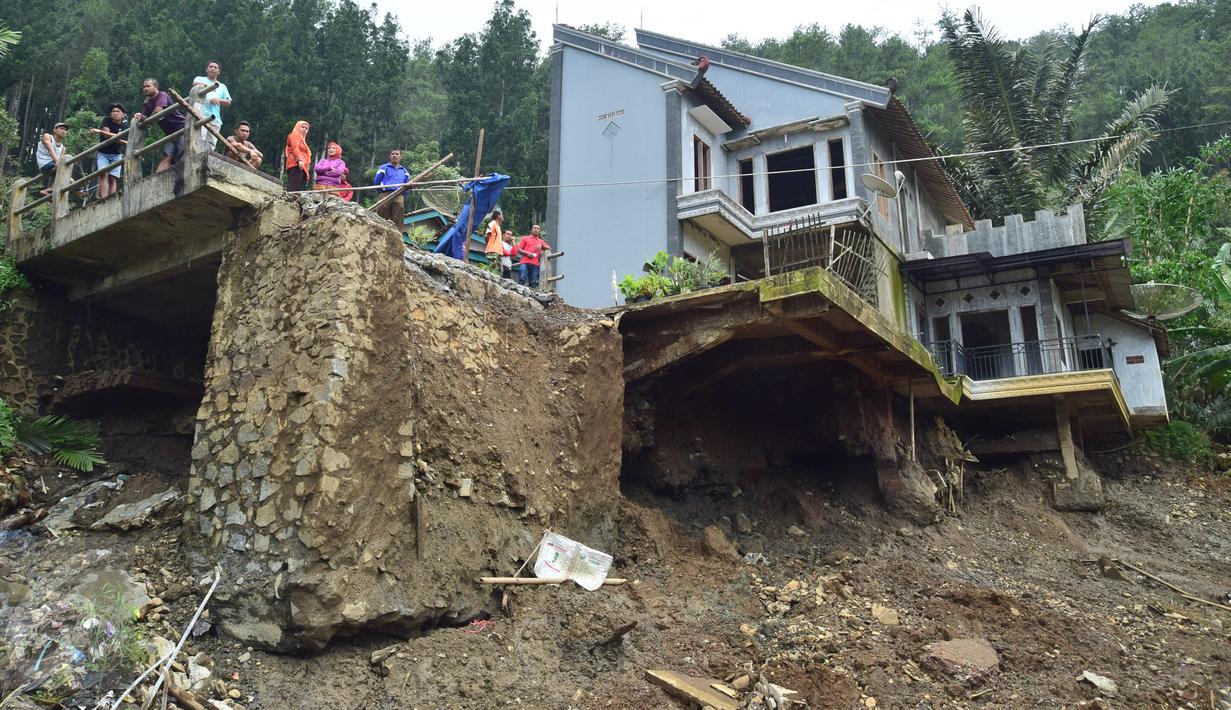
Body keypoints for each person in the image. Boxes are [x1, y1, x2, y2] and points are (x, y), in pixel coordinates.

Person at [132, 78, 187, 173]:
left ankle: (182, 178)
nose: (145, 88)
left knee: (182, 155)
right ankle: (154, 180)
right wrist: (140, 116)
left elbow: (158, 111)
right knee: (167, 157)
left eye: (148, 86)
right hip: (170, 135)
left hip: (182, 129)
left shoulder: (162, 95)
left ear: (155, 87)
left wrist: (147, 117)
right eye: (144, 87)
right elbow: (145, 118)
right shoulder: (147, 103)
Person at [87, 103, 128, 199]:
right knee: (103, 174)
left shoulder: (125, 126)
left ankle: (111, 198)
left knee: (113, 178)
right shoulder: (107, 120)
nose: (115, 113)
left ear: (123, 114)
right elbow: (107, 136)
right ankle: (104, 198)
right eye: (113, 111)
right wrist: (121, 140)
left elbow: (118, 138)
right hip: (103, 153)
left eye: (118, 111)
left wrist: (100, 131)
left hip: (116, 154)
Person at [190, 60, 232, 149]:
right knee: (198, 142)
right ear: (206, 69)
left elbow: (228, 101)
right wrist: (209, 86)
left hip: (215, 119)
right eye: (210, 67)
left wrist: (218, 100)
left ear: (218, 72)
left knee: (210, 146)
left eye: (215, 67)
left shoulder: (222, 86)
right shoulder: (200, 79)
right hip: (200, 115)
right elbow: (194, 84)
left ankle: (206, 158)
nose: (212, 68)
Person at [372, 148, 411, 222]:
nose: (395, 155)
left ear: (401, 157)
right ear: (389, 156)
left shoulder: (404, 171)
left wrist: (403, 195)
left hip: (399, 194)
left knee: (399, 210)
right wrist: (381, 192)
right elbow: (376, 181)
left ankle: (397, 229)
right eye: (393, 154)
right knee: (382, 212)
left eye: (397, 154)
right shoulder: (384, 167)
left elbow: (407, 186)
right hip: (385, 193)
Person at [35, 122, 68, 194]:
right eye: (61, 129)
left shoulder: (63, 148)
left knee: (70, 180)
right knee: (65, 172)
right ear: (54, 130)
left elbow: (61, 160)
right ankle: (51, 189)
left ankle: (49, 190)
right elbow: (50, 150)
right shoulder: (47, 136)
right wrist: (58, 163)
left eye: (65, 130)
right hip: (45, 164)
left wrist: (59, 164)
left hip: (55, 166)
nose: (63, 131)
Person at [516, 224, 552, 289]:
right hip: (524, 262)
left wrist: (542, 246)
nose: (536, 229)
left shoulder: (541, 241)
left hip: (535, 264)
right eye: (534, 228)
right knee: (522, 277)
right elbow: (518, 249)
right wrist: (527, 253)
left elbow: (549, 248)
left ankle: (531, 295)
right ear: (531, 230)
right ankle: (519, 292)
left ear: (539, 231)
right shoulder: (525, 238)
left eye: (538, 228)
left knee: (533, 283)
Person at [284, 121, 311, 191]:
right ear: (297, 127)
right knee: (293, 187)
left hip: (302, 166)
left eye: (306, 128)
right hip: (295, 164)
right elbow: (295, 148)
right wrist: (299, 160)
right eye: (302, 127)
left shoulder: (303, 140)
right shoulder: (294, 135)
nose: (304, 129)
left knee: (299, 189)